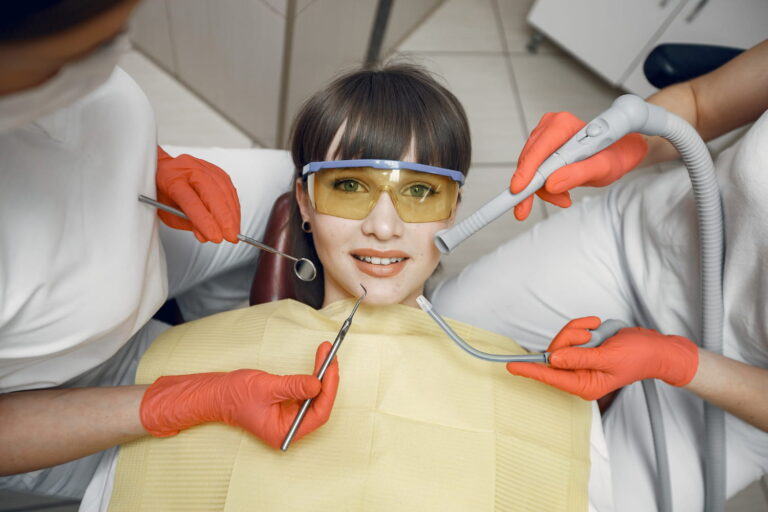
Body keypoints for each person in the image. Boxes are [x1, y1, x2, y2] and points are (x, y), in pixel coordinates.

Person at [88, 64, 595, 512]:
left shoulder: (541, 398)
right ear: (304, 204)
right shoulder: (182, 367)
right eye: (350, 186)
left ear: (455, 209)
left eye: (419, 192)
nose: (383, 226)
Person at [0, 0, 336, 501]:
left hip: (148, 222)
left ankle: (217, 324)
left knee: (278, 189)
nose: (114, 58)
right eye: (77, 57)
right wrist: (178, 401)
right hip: (63, 383)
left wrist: (151, 162)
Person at [431, 40, 768, 510]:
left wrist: (673, 360)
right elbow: (700, 102)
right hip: (642, 243)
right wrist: (627, 144)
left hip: (732, 392)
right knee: (444, 328)